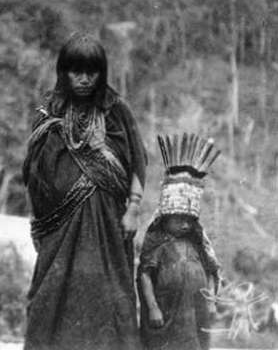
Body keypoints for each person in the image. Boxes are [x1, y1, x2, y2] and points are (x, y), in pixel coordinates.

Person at [22, 32, 147, 350]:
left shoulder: (116, 110)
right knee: (51, 296)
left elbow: (137, 161)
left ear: (101, 73)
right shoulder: (48, 112)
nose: (84, 79)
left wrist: (133, 208)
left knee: (108, 296)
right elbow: (34, 171)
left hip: (107, 221)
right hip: (58, 226)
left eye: (92, 72)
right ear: (63, 72)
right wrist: (39, 220)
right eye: (76, 71)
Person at [139, 134, 221, 350]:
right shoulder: (156, 242)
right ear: (165, 217)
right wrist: (153, 308)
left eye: (189, 220)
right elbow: (145, 275)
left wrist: (211, 303)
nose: (185, 225)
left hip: (197, 313)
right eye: (178, 219)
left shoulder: (198, 243)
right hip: (165, 311)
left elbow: (212, 272)